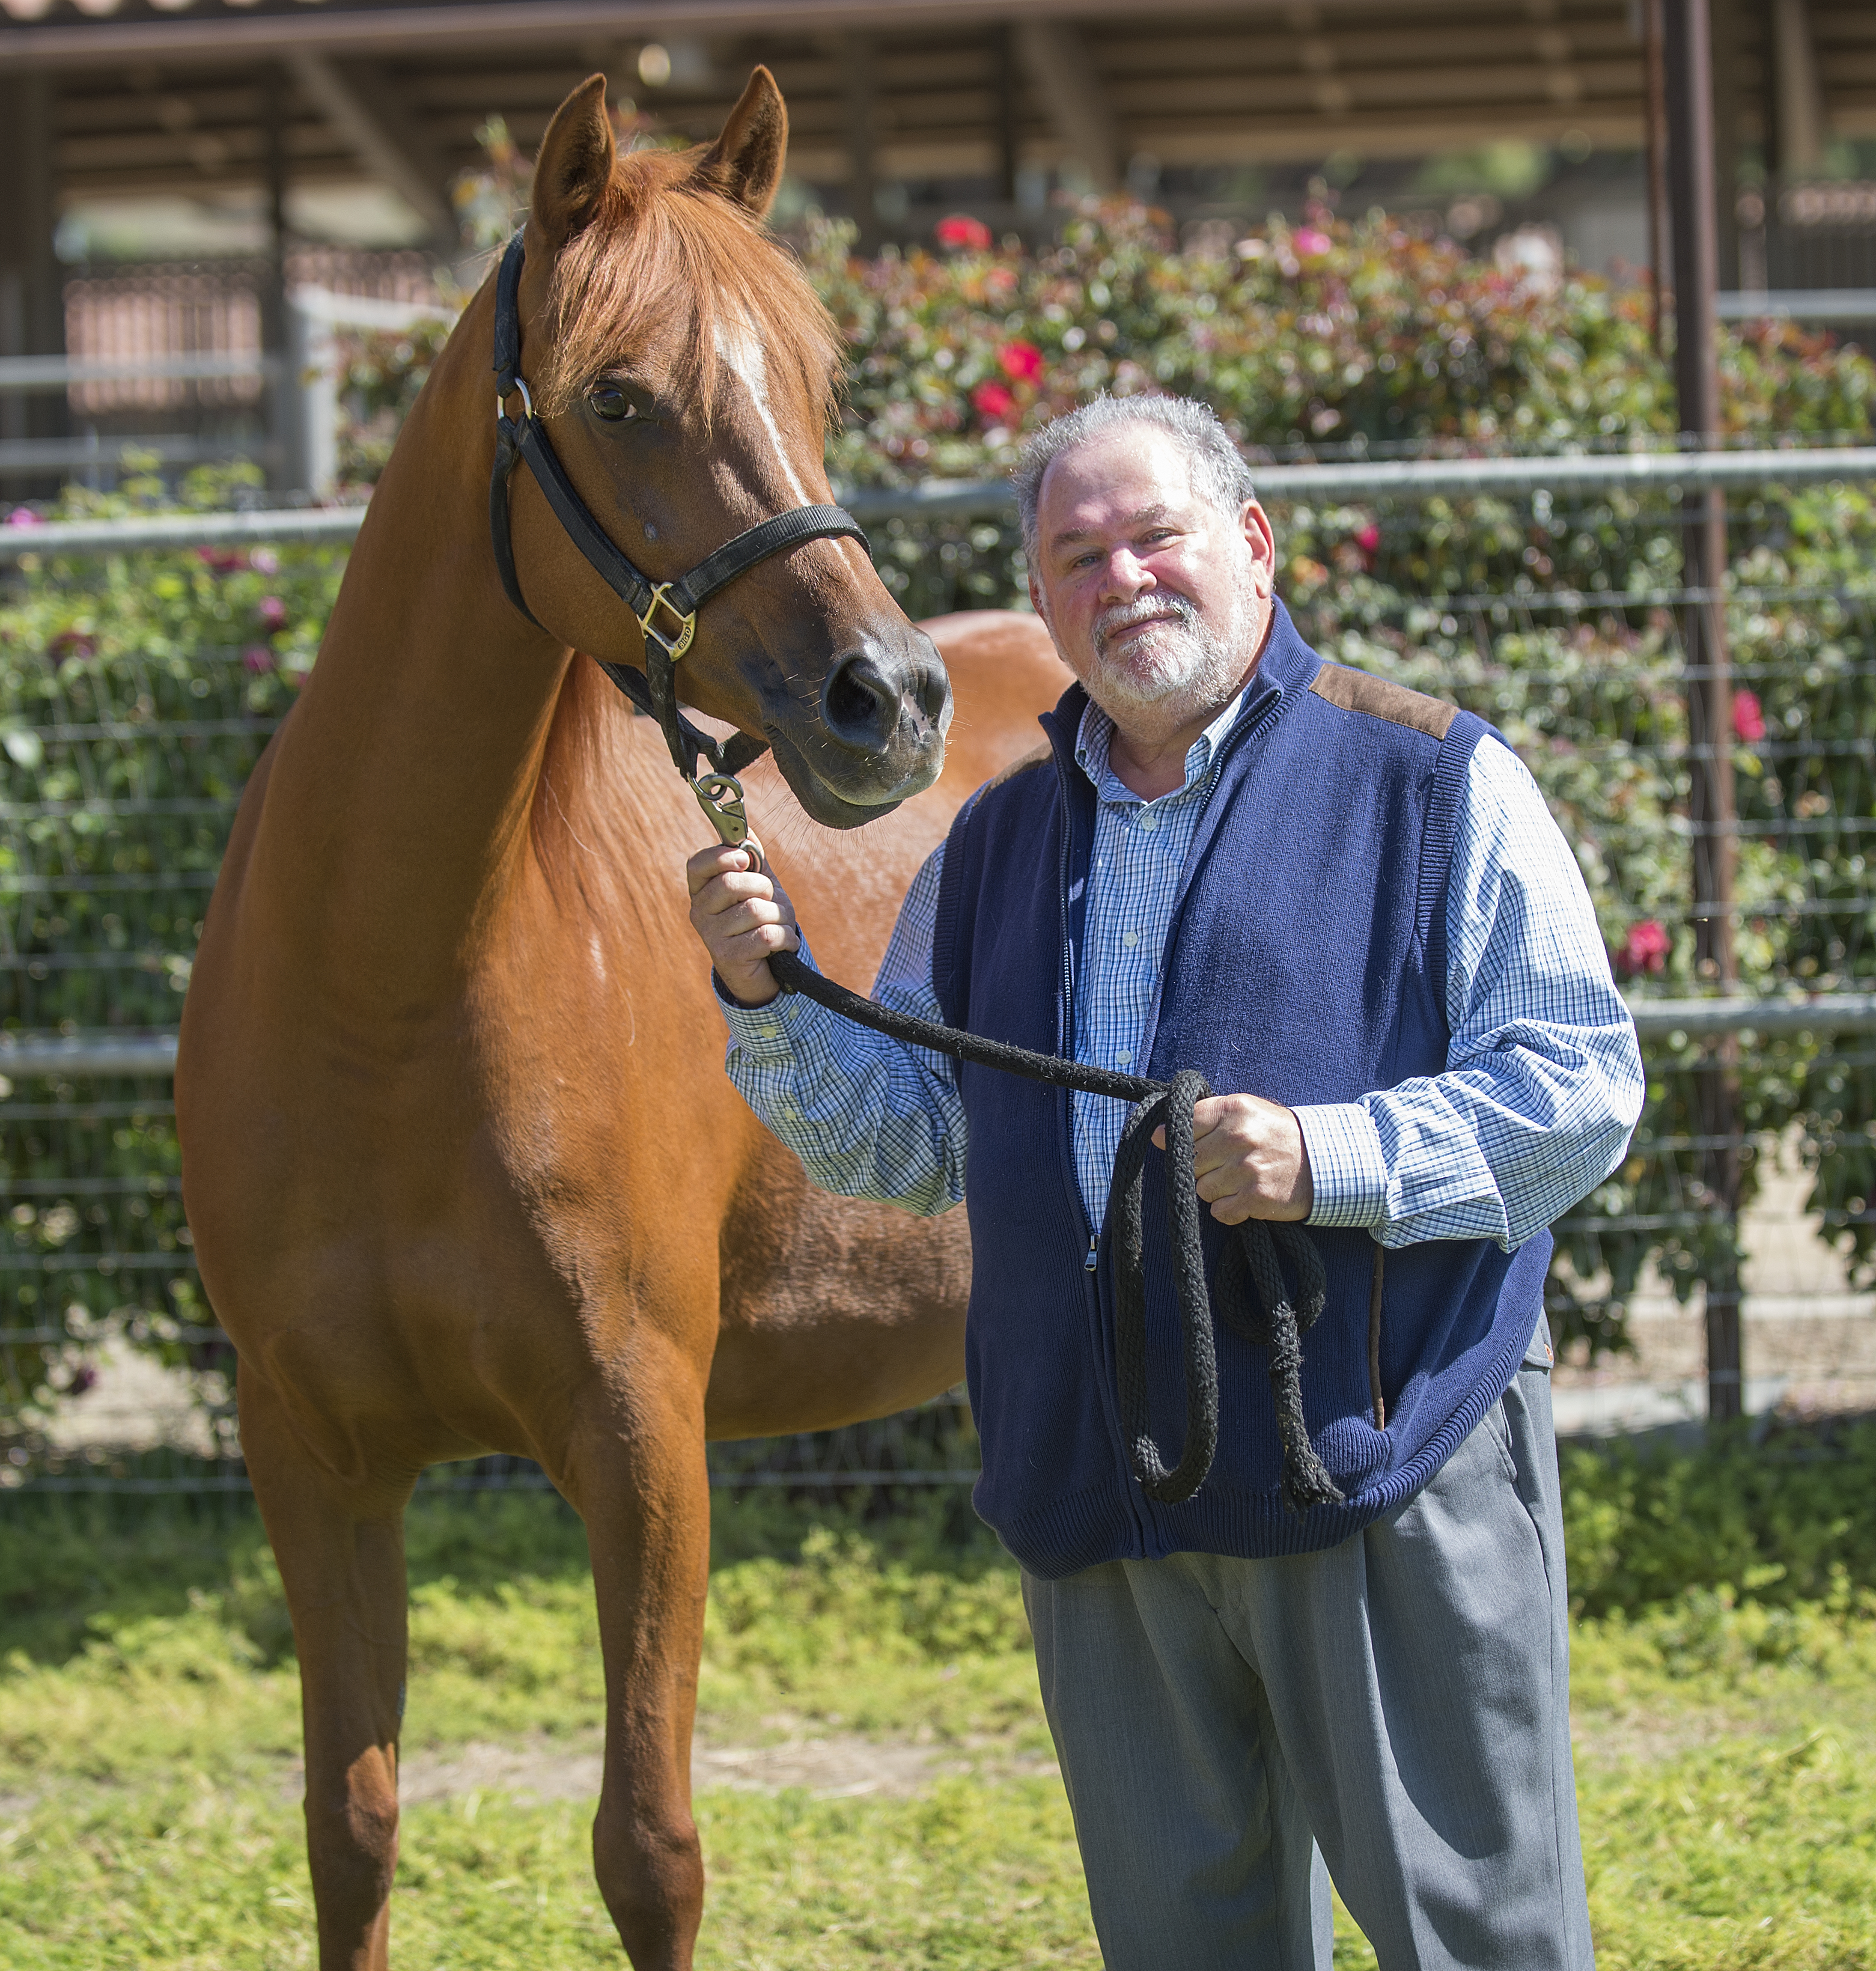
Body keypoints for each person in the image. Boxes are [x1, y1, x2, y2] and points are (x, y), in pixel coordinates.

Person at [686, 395, 1641, 1970]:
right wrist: (761, 994)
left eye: (1154, 537)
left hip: (1376, 1453)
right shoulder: (991, 844)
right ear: (1042, 604)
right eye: (1076, 556)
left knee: (1473, 1938)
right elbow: (910, 1144)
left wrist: (1329, 1158)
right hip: (1102, 1480)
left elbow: (1578, 1099)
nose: (1120, 579)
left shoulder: (1433, 780)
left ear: (1251, 548)